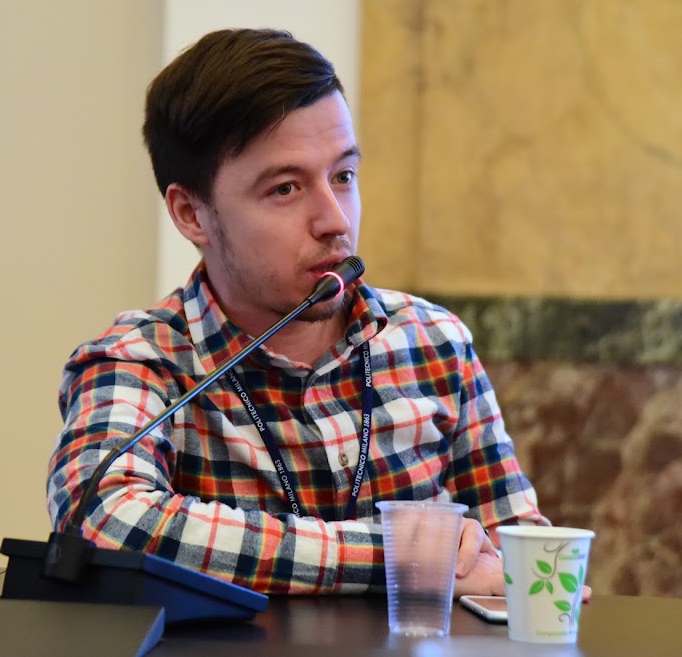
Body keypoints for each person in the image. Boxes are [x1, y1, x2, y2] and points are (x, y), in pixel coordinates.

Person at [47, 28, 542, 596]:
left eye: (344, 176)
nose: (335, 220)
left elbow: (517, 561)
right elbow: (104, 519)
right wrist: (402, 556)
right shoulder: (140, 361)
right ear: (191, 214)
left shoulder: (432, 341)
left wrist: (526, 575)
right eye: (285, 189)